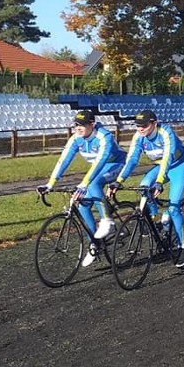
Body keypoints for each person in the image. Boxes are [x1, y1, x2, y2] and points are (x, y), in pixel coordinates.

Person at [38, 110, 127, 266]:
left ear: (92, 124)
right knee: (82, 204)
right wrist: (50, 184)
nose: (78, 128)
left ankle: (107, 221)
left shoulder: (103, 136)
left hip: (116, 165)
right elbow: (63, 160)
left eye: (83, 125)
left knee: (92, 184)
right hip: (97, 169)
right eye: (76, 125)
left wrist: (84, 183)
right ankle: (95, 243)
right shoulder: (76, 139)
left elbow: (100, 162)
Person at [111, 109, 184, 268]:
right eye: (137, 126)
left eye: (144, 125)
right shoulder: (138, 137)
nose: (140, 129)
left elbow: (168, 157)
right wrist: (118, 181)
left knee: (174, 207)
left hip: (178, 166)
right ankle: (156, 220)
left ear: (154, 123)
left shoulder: (165, 132)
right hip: (160, 167)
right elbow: (132, 160)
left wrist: (160, 182)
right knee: (144, 186)